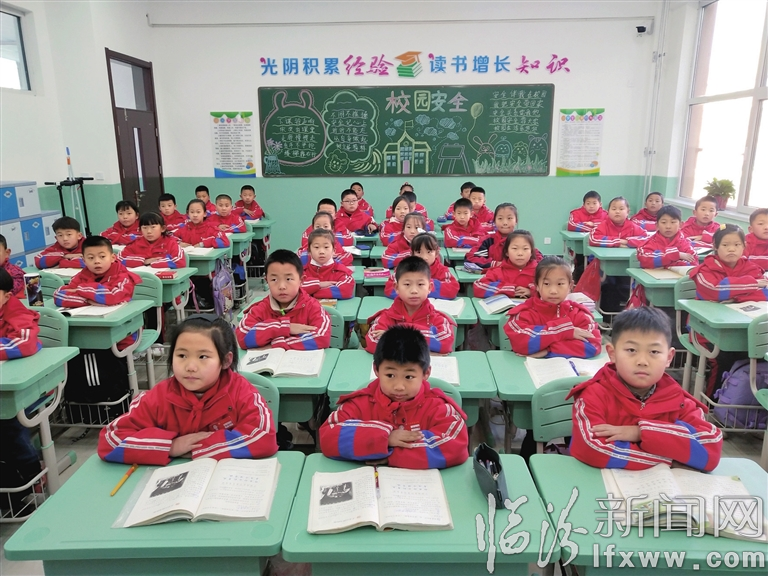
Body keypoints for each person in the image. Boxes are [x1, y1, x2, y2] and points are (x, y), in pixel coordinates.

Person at [98, 317, 277, 465]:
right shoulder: (159, 396)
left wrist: (199, 448)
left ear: (225, 361)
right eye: (182, 355)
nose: (190, 366)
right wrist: (171, 446)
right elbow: (110, 440)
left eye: (203, 357)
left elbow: (264, 437)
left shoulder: (242, 392)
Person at [568, 306, 722, 471]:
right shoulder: (594, 395)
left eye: (654, 351)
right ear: (612, 353)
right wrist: (669, 460)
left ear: (669, 357)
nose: (642, 361)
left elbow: (709, 451)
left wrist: (641, 433)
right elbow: (591, 449)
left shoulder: (679, 401)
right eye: (631, 350)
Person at [320, 326, 468, 469]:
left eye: (409, 377)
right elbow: (328, 436)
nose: (399, 386)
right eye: (390, 375)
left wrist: (392, 454)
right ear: (376, 369)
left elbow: (456, 446)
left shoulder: (437, 406)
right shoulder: (360, 403)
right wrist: (384, 437)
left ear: (426, 373)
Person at [0, 268, 43, 513]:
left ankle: (30, 473)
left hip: (28, 388)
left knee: (8, 421)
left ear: (6, 296)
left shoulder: (17, 312)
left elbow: (25, 344)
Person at [53, 236, 141, 350]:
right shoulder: (82, 276)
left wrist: (81, 289)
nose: (97, 261)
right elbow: (59, 295)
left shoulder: (123, 276)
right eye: (91, 258)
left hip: (123, 336)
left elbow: (112, 296)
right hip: (90, 331)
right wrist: (88, 300)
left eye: (102, 256)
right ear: (84, 260)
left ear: (112, 258)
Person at [504, 256, 601, 358]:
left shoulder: (579, 314)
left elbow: (592, 347)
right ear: (537, 285)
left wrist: (548, 350)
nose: (553, 291)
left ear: (570, 286)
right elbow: (521, 344)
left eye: (560, 284)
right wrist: (564, 331)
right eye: (546, 284)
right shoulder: (524, 313)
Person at [236, 249, 331, 350]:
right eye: (274, 280)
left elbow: (322, 337)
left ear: (301, 280)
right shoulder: (260, 308)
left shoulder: (312, 306)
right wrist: (284, 327)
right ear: (267, 281)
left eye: (288, 279)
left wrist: (276, 344)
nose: (282, 286)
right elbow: (243, 336)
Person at [365, 256, 455, 354]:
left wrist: (398, 333)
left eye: (420, 284)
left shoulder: (437, 319)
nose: (414, 291)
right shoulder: (386, 316)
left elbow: (445, 343)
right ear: (396, 287)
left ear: (430, 287)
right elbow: (373, 342)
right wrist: (420, 340)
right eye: (407, 284)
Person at [627, 205, 696, 308]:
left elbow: (693, 262)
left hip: (678, 286)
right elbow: (646, 259)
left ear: (681, 224)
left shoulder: (685, 243)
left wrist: (663, 263)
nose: (668, 226)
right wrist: (676, 255)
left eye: (673, 222)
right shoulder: (649, 243)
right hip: (652, 288)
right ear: (657, 225)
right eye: (664, 222)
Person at [690, 225, 768, 303]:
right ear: (715, 246)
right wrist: (752, 283)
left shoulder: (750, 267)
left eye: (737, 245)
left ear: (744, 246)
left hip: (737, 309)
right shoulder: (705, 269)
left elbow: (765, 289)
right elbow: (714, 290)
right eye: (725, 245)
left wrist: (736, 298)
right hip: (707, 309)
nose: (731, 249)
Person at [384, 233, 459, 300]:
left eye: (429, 252)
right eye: (418, 252)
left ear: (436, 253)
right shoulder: (403, 268)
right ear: (412, 253)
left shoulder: (442, 270)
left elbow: (453, 289)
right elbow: (389, 288)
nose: (424, 257)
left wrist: (424, 285)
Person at [474, 230, 538, 298]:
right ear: (506, 252)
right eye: (515, 248)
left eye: (525, 249)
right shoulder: (497, 271)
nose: (520, 253)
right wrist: (509, 289)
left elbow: (546, 288)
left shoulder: (539, 272)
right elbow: (478, 286)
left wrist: (531, 291)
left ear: (531, 252)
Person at [301, 229, 356, 300]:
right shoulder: (303, 271)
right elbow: (296, 287)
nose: (321, 251)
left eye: (326, 247)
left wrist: (313, 293)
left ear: (334, 251)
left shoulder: (341, 271)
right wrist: (319, 284)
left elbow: (346, 290)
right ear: (309, 251)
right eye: (316, 247)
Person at [120, 212, 185, 269]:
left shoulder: (171, 243)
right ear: (140, 230)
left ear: (163, 228)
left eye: (153, 227)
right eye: (145, 228)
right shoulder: (136, 244)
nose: (149, 231)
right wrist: (144, 261)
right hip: (142, 278)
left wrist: (154, 263)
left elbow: (180, 262)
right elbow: (119, 260)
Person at [567, 190, 608, 281]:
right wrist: (595, 227)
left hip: (600, 247)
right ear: (584, 204)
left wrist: (593, 224)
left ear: (600, 204)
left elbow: (608, 227)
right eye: (588, 203)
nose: (591, 206)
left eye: (594, 203)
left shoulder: (606, 214)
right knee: (581, 264)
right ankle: (578, 279)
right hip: (580, 246)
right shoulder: (576, 213)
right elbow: (572, 225)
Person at [465, 203, 518, 269]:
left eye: (509, 218)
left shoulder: (521, 241)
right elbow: (471, 258)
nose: (505, 223)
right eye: (500, 218)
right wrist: (494, 263)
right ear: (494, 221)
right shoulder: (487, 241)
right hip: (492, 274)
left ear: (516, 221)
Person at [745, 207, 768, 272]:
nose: (766, 227)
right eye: (761, 224)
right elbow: (743, 262)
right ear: (751, 229)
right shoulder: (745, 243)